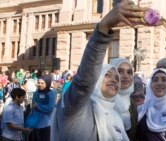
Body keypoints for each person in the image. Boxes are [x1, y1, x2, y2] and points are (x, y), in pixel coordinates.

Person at [51, 1, 146, 141]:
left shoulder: (115, 115)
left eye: (116, 78)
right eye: (107, 75)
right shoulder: (77, 107)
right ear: (97, 78)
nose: (115, 79)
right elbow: (84, 83)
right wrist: (104, 27)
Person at [110, 58, 138, 140]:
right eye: (120, 71)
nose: (126, 76)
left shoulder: (132, 103)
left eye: (129, 72)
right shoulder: (103, 100)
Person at [30, 75, 57, 141]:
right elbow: (33, 106)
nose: (40, 84)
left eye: (42, 83)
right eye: (39, 82)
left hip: (45, 124)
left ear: (47, 83)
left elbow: (50, 108)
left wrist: (38, 106)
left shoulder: (50, 93)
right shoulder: (36, 93)